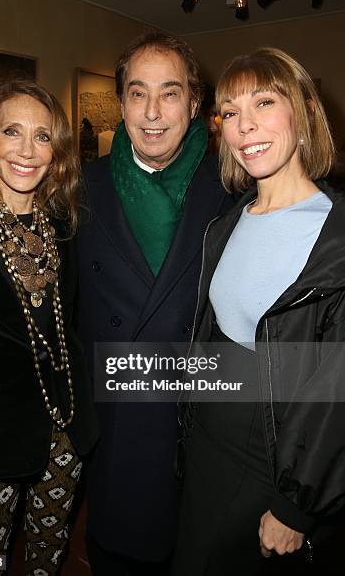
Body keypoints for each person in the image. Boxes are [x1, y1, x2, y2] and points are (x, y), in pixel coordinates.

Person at [174, 47, 345, 575]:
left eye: (264, 102)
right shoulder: (226, 224)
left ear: (305, 110)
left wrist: (298, 503)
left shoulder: (336, 236)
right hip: (205, 439)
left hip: (276, 457)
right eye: (230, 112)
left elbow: (336, 387)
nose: (245, 126)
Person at [76, 31, 235, 575]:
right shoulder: (79, 188)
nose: (151, 112)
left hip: (194, 434)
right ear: (120, 101)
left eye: (169, 93)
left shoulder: (235, 190)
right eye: (136, 92)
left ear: (195, 104)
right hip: (113, 431)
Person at [0, 80, 98, 574]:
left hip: (66, 429)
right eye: (13, 132)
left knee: (48, 559)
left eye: (43, 136)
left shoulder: (63, 223)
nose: (27, 151)